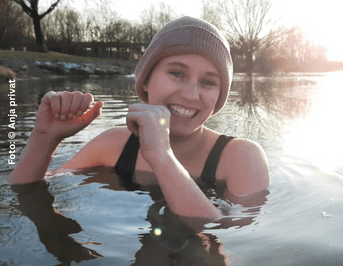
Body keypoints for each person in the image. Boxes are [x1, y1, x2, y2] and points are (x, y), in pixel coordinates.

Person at [8, 16, 270, 220]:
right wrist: (44, 138)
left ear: (219, 96)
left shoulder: (241, 157)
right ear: (145, 81)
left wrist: (161, 155)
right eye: (176, 73)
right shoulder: (113, 145)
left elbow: (230, 237)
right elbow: (25, 196)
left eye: (208, 82)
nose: (191, 94)